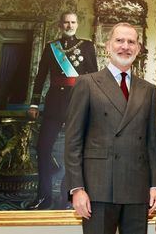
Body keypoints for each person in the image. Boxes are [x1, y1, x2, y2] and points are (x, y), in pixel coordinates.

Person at [64, 22, 156, 234]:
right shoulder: (87, 83)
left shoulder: (149, 90)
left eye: (131, 42)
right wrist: (77, 189)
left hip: (137, 188)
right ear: (107, 46)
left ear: (137, 48)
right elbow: (73, 141)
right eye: (119, 40)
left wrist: (154, 186)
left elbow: (151, 144)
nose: (125, 46)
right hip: (98, 188)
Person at [26, 11, 98, 210]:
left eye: (73, 22)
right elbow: (40, 77)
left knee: (74, 151)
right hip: (54, 103)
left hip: (78, 103)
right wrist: (34, 103)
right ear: (60, 24)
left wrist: (94, 104)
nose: (69, 25)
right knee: (43, 147)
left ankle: (68, 196)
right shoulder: (51, 48)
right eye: (66, 22)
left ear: (77, 24)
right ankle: (44, 196)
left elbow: (93, 77)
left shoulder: (87, 46)